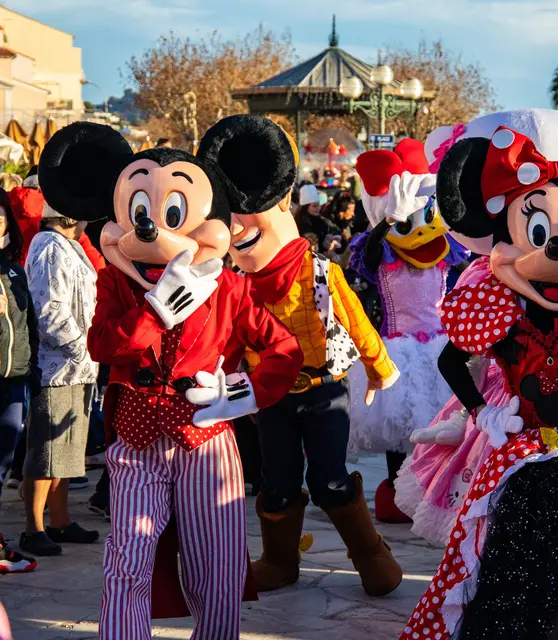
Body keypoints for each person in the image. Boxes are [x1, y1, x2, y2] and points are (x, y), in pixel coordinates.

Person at [38, 120, 303, 639]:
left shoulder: (227, 288)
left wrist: (238, 394)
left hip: (207, 436)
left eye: (173, 214)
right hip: (137, 438)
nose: (152, 231)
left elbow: (283, 349)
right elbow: (102, 347)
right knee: (128, 558)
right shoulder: (117, 280)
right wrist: (153, 313)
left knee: (218, 566)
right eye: (139, 215)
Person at [400, 108, 558, 640]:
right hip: (523, 447)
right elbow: (450, 359)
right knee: (519, 552)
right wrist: (482, 410)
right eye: (538, 230)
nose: (557, 247)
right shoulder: (501, 316)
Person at [207, 114, 403, 598]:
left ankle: (371, 554)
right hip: (271, 400)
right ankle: (279, 561)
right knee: (277, 483)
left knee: (330, 480)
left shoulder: (321, 273)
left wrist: (379, 370)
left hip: (323, 393)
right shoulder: (237, 287)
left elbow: (358, 324)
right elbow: (230, 344)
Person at [348, 139, 468, 523]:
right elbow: (366, 255)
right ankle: (396, 493)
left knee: (439, 425)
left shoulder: (446, 253)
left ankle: (433, 491)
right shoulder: (380, 257)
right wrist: (387, 221)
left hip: (440, 349)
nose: (415, 232)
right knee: (401, 428)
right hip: (398, 349)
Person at [20, 201, 99, 557]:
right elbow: (49, 310)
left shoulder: (69, 245)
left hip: (78, 366)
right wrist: (83, 349)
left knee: (67, 452)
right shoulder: (49, 247)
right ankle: (33, 527)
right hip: (56, 366)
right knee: (46, 451)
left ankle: (60, 520)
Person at [0, 188, 39, 574]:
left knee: (4, 459)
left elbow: (29, 325)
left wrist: (34, 371)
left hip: (15, 378)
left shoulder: (14, 269)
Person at [296, 184, 340, 250]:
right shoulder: (303, 224)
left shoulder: (321, 220)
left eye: (319, 205)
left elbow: (335, 229)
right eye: (314, 206)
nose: (318, 208)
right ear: (306, 207)